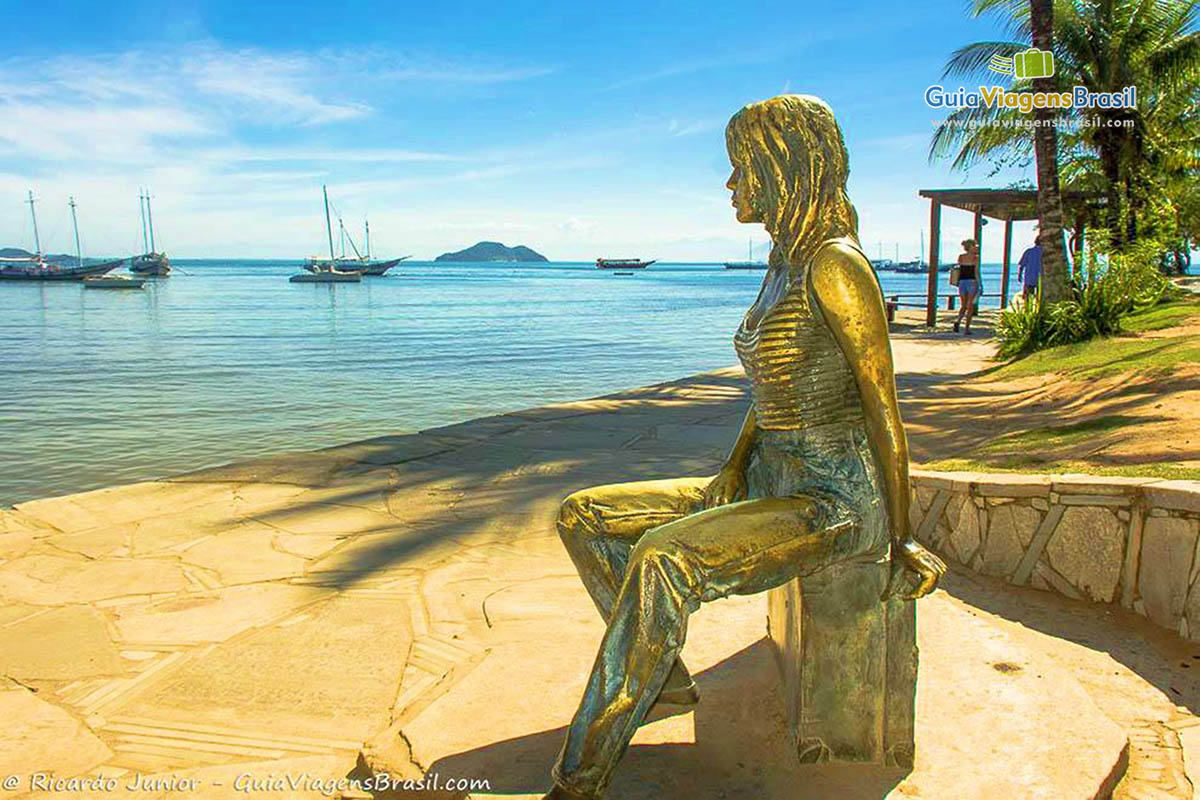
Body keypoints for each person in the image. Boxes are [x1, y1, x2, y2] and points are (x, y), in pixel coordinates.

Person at [542, 95, 945, 800]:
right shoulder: (781, 261)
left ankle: (578, 779)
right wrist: (732, 468)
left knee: (663, 558)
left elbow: (884, 411)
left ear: (781, 168)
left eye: (741, 170)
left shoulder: (835, 267)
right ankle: (661, 679)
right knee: (582, 514)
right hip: (769, 476)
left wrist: (902, 538)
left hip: (835, 500)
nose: (731, 185)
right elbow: (771, 392)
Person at [952, 238, 979, 335]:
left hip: (962, 282)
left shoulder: (961, 257)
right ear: (970, 247)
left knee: (963, 305)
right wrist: (979, 284)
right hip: (971, 282)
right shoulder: (975, 258)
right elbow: (976, 272)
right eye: (974, 246)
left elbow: (959, 269)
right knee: (970, 306)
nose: (976, 248)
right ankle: (967, 328)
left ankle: (958, 321)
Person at [1017, 234, 1043, 300]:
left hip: (1029, 279)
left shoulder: (1028, 251)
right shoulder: (1044, 253)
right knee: (1040, 298)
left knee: (1027, 298)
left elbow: (1021, 265)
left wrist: (1019, 276)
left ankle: (1027, 309)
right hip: (1041, 279)